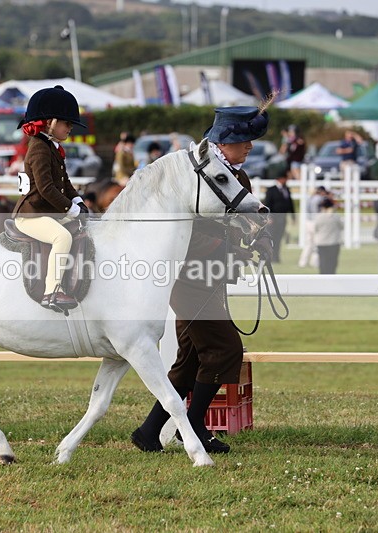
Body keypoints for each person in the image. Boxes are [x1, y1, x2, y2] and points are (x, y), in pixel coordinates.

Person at [130, 105, 274, 455]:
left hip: (213, 278)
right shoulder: (196, 177)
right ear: (222, 144)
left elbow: (243, 220)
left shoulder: (239, 178)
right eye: (243, 141)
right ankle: (193, 426)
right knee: (225, 349)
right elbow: (186, 235)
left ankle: (150, 432)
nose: (249, 147)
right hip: (189, 277)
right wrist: (230, 249)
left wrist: (259, 236)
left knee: (191, 357)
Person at [11, 85, 89, 312]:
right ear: (50, 122)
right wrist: (70, 209)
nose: (70, 128)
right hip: (32, 215)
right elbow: (45, 188)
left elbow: (64, 184)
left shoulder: (52, 147)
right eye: (67, 123)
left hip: (47, 211)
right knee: (62, 237)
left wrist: (78, 202)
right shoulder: (39, 149)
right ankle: (51, 292)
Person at [263, 174, 295, 263]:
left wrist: (293, 215)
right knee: (271, 237)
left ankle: (276, 257)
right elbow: (267, 203)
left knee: (279, 237)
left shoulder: (286, 189)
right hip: (273, 217)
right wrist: (268, 216)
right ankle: (269, 256)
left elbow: (290, 203)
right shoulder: (271, 190)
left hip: (282, 217)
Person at [298, 185, 328, 268]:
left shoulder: (310, 198)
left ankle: (303, 262)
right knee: (317, 243)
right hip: (315, 222)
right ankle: (314, 262)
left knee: (309, 243)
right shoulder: (319, 199)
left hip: (308, 222)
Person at [312, 197, 343, 274]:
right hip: (334, 243)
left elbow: (315, 229)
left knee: (323, 263)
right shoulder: (336, 217)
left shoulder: (318, 217)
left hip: (322, 243)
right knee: (332, 263)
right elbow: (342, 226)